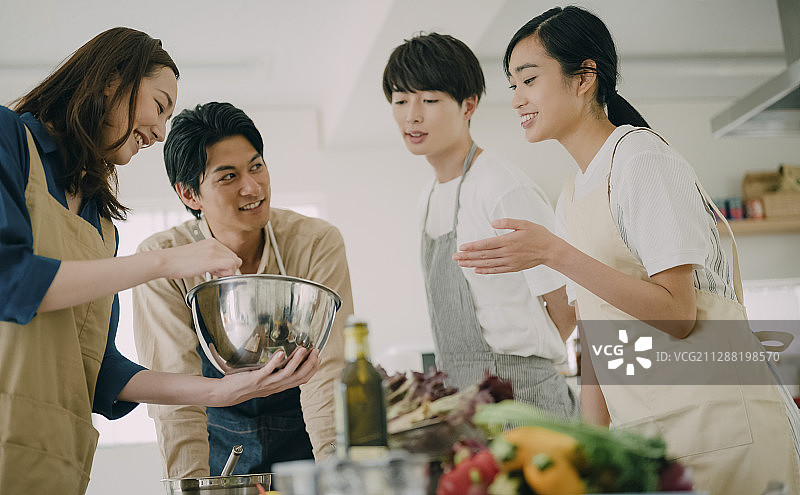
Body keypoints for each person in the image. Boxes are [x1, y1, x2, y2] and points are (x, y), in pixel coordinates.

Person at [453, 6, 800, 493]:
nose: (516, 100)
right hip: (653, 437)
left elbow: (678, 314)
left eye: (528, 79)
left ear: (584, 76)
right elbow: (596, 339)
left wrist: (555, 253)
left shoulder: (641, 158)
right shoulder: (571, 195)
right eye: (512, 84)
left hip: (723, 428)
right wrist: (589, 449)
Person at [0, 28, 320, 494]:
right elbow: (10, 280)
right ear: (112, 81)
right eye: (159, 105)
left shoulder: (99, 223)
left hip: (55, 458)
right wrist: (166, 263)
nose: (160, 132)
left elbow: (102, 370)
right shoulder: (8, 139)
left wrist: (224, 392)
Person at [132, 101, 353, 477]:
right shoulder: (163, 259)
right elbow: (176, 391)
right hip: (216, 440)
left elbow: (327, 368)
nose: (252, 187)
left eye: (256, 166)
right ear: (189, 194)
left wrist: (334, 470)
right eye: (228, 176)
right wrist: (188, 483)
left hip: (305, 432)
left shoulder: (315, 242)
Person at [382, 33, 579, 419]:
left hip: (524, 397)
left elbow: (566, 303)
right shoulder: (428, 196)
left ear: (468, 105)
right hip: (464, 398)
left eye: (430, 100)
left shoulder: (501, 186)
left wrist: (516, 372)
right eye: (401, 100)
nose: (412, 115)